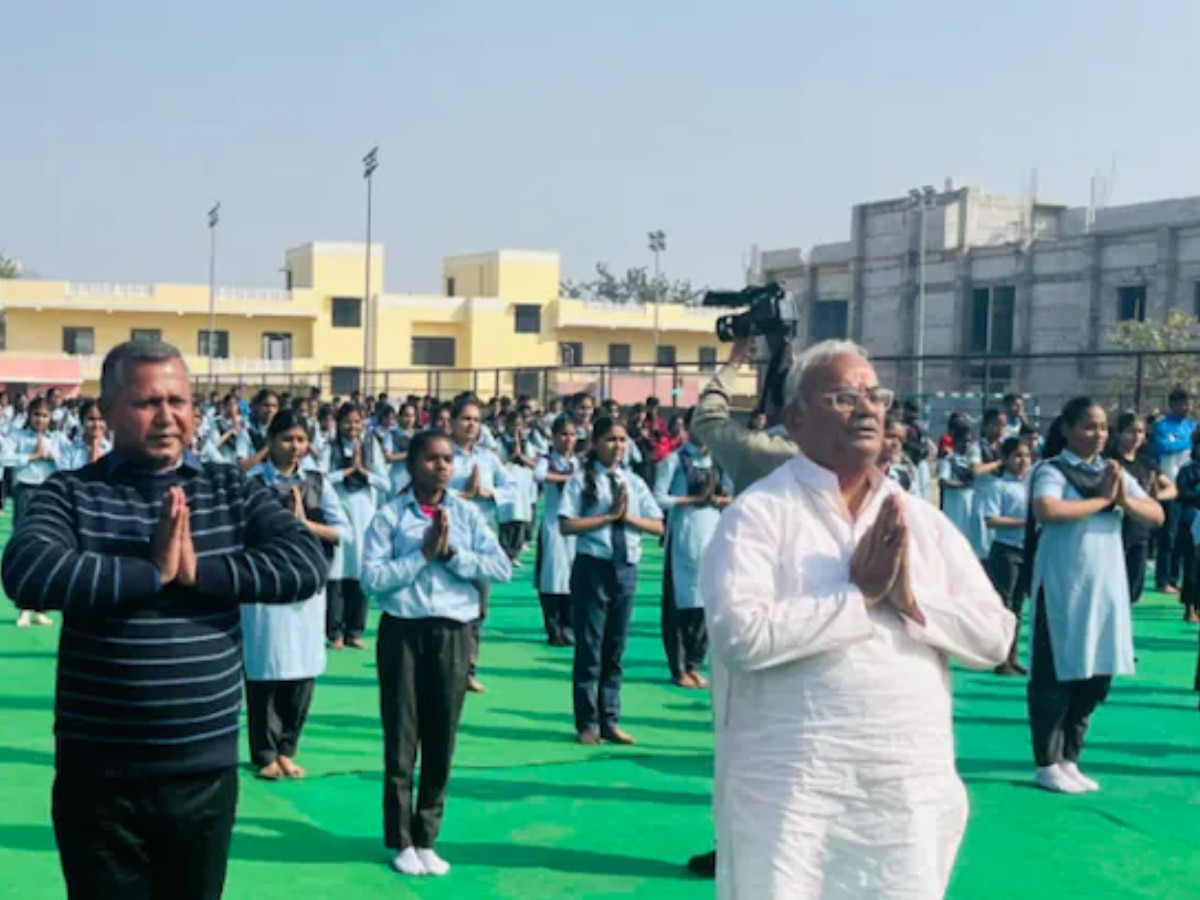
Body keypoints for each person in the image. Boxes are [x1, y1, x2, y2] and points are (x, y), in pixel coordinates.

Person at [0, 341, 327, 900]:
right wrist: (149, 572)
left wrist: (203, 574)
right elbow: (28, 572)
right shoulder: (73, 494)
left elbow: (305, 562)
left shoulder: (229, 490)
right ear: (106, 406)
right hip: (99, 777)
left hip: (203, 772)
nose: (168, 416)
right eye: (147, 402)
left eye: (179, 400)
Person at [702, 339, 1015, 900]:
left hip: (905, 787)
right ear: (795, 419)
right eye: (843, 397)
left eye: (875, 395)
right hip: (791, 791)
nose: (867, 408)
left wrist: (911, 600)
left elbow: (995, 636)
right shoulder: (758, 515)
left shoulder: (918, 517)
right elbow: (738, 636)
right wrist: (857, 597)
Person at [362, 430, 512, 878]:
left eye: (448, 459)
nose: (442, 466)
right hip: (403, 632)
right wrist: (421, 555)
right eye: (431, 459)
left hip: (452, 631)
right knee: (402, 734)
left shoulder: (466, 515)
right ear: (411, 465)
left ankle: (428, 835)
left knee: (442, 735)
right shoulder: (390, 516)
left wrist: (451, 556)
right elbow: (372, 578)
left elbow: (500, 566)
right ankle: (402, 839)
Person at [1026, 397, 1163, 794]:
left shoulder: (1113, 472)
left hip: (1105, 590)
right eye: (1089, 426)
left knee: (1096, 675)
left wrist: (1121, 498)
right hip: (1062, 587)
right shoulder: (1051, 469)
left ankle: (1070, 757)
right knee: (1056, 673)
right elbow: (1047, 510)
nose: (1099, 434)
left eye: (1103, 427)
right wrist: (1103, 501)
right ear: (1066, 429)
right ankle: (1046, 762)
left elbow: (1155, 514)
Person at [245, 410, 347, 781]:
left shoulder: (318, 483)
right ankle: (265, 752)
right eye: (287, 438)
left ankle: (289, 747)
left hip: (307, 587)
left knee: (303, 668)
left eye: (301, 439)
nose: (294, 447)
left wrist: (305, 525)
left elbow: (342, 531)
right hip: (264, 587)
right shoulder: (252, 484)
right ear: (270, 441)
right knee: (265, 669)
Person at [559, 415, 664, 745]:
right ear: (595, 443)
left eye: (622, 440)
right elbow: (566, 525)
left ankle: (610, 719)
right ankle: (587, 722)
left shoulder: (633, 482)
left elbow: (658, 526)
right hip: (593, 566)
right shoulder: (580, 480)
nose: (617, 446)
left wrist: (627, 518)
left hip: (625, 567)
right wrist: (605, 518)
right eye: (610, 440)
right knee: (589, 647)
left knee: (615, 648)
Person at [654, 409, 732, 687]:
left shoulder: (720, 461)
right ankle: (678, 667)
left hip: (712, 532)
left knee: (708, 601)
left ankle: (695, 662)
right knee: (680, 602)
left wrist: (722, 500)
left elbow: (732, 493)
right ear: (688, 427)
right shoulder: (674, 460)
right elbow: (658, 498)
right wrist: (689, 500)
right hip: (684, 535)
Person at [322, 402, 390, 650]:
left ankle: (355, 630)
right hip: (338, 512)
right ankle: (334, 631)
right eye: (348, 422)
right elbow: (320, 478)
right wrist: (346, 472)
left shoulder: (372, 447)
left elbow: (386, 483)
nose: (353, 427)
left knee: (361, 571)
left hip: (365, 516)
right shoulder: (330, 448)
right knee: (337, 573)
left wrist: (365, 473)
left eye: (358, 422)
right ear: (339, 423)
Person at [1108, 411, 1176, 606]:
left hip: (1140, 532)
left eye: (1141, 432)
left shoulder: (1146, 462)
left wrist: (1152, 498)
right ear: (1119, 433)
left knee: (1133, 589)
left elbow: (1171, 488)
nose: (1136, 437)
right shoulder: (1110, 461)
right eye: (1131, 431)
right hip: (1113, 531)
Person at [982, 435, 1034, 675]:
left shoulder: (1032, 485)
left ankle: (1012, 657)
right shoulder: (999, 485)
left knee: (1019, 606)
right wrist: (1024, 522)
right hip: (1005, 550)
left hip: (1027, 549)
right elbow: (991, 519)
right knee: (1005, 606)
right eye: (1017, 456)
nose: (1023, 461)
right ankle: (999, 657)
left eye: (1027, 455)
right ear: (1005, 459)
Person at [533, 415, 579, 646]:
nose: (568, 439)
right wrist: (567, 478)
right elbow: (539, 475)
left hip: (574, 526)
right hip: (552, 524)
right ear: (553, 436)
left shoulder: (579, 462)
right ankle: (553, 628)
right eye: (563, 434)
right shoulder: (547, 459)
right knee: (551, 577)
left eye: (572, 434)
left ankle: (569, 626)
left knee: (572, 575)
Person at [1151, 386, 1195, 593]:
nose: (1185, 407)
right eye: (1181, 403)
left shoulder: (1191, 425)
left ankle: (1175, 578)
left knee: (1184, 536)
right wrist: (1188, 440)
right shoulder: (1161, 426)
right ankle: (1163, 579)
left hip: (1188, 489)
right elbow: (1163, 448)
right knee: (1167, 535)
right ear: (1172, 405)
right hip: (1168, 487)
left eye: (1188, 403)